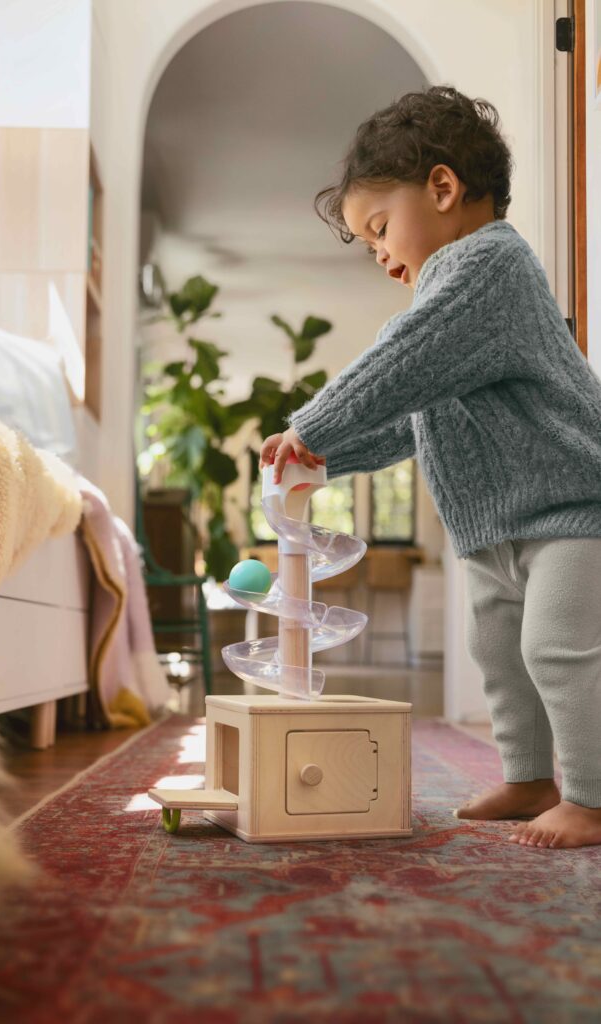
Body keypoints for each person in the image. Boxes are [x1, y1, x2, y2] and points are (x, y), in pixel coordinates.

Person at [259, 85, 601, 850]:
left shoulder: (488, 267)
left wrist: (309, 423)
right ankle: (529, 774)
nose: (380, 255)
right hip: (493, 529)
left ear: (442, 189)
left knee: (555, 649)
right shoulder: (443, 315)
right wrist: (328, 456)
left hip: (571, 509)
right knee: (496, 651)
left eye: (379, 229)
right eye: (368, 245)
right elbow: (411, 418)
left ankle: (589, 795)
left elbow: (399, 363)